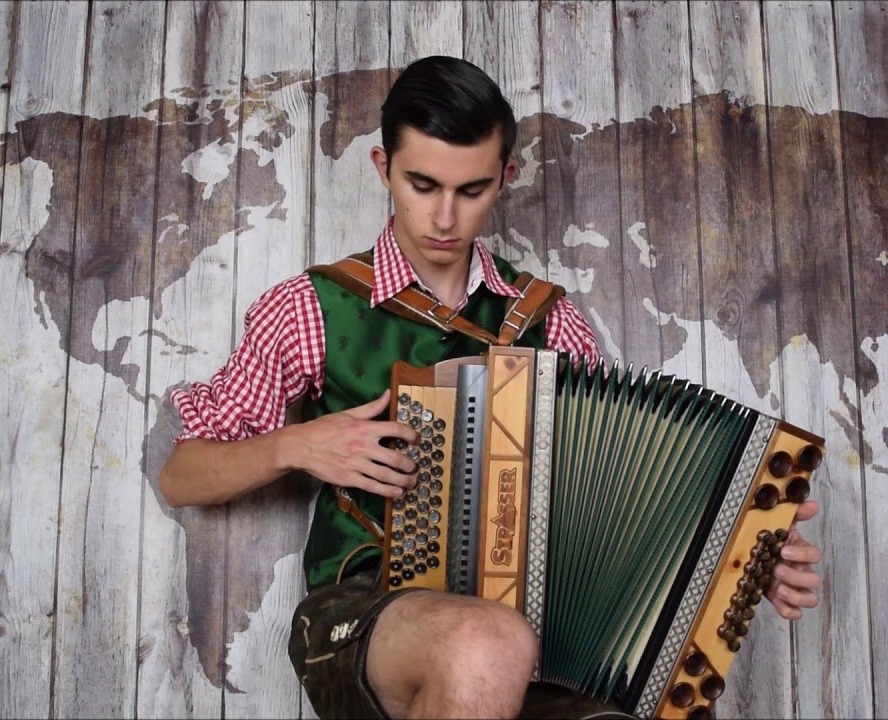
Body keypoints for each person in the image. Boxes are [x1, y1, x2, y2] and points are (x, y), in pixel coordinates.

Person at [159, 55, 823, 720]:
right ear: (382, 168)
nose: (444, 217)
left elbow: (612, 495)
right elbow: (183, 477)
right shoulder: (312, 307)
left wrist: (741, 558)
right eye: (422, 184)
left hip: (539, 625)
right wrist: (298, 445)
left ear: (506, 177)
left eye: (471, 190)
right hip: (365, 611)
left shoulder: (550, 321)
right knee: (487, 642)